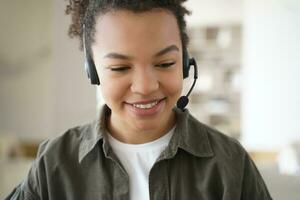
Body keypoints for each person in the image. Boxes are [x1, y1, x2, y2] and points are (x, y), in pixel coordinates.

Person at [6, 0, 272, 199]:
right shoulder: (54, 163)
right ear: (92, 70)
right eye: (121, 68)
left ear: (186, 64)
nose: (145, 87)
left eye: (166, 63)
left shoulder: (230, 164)